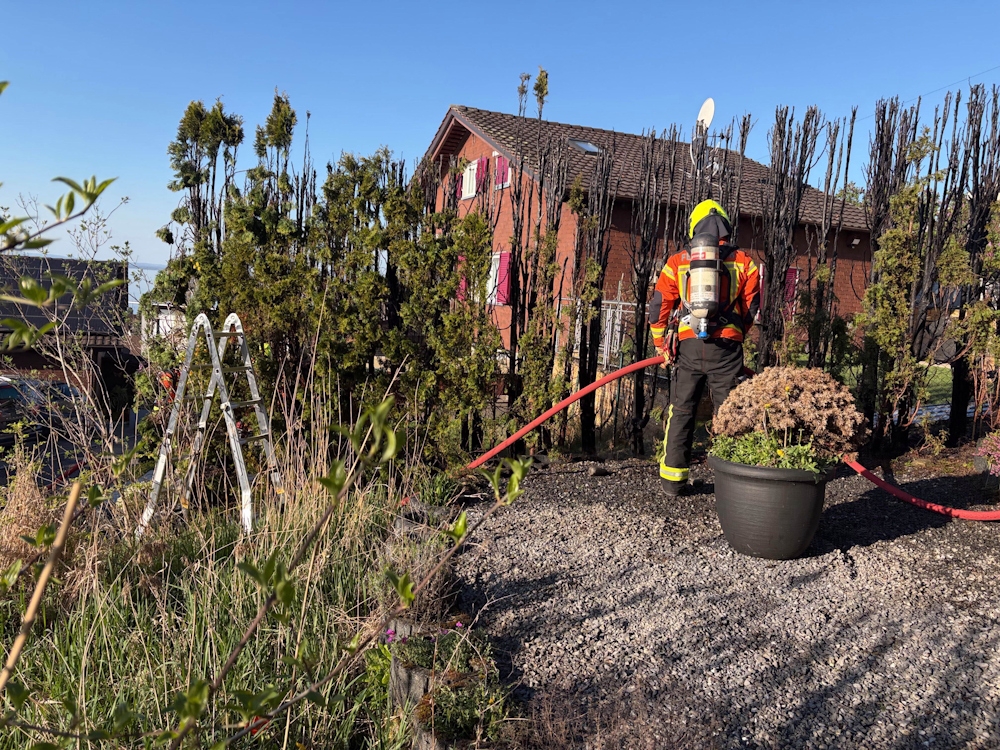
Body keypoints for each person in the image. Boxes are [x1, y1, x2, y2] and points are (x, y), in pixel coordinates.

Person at [648, 199, 760, 496]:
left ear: (694, 226)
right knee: (731, 412)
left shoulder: (679, 261)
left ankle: (673, 481)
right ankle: (734, 484)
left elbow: (659, 306)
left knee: (682, 409)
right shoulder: (745, 262)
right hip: (726, 348)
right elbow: (751, 309)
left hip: (688, 347)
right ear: (725, 225)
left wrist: (661, 344)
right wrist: (736, 333)